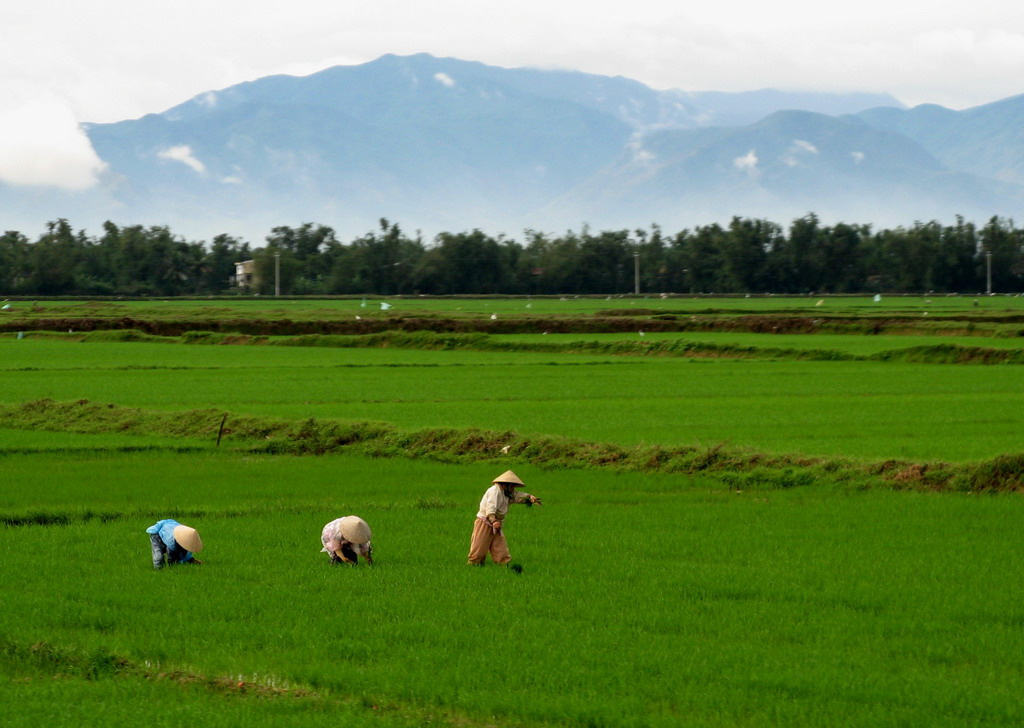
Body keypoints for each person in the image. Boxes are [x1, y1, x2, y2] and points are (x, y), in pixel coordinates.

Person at [467, 470, 541, 566]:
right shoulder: (494, 491)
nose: (513, 488)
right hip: (485, 522)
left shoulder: (507, 493)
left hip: (496, 523)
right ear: (506, 484)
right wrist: (493, 521)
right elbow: (491, 507)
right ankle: (474, 565)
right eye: (512, 486)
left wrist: (530, 497)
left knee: (500, 550)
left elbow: (518, 496)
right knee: (479, 549)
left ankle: (504, 565)